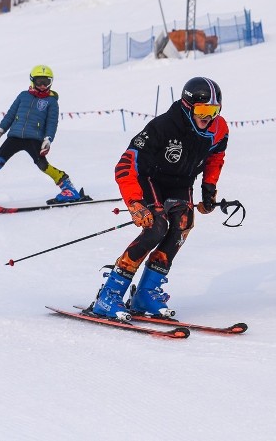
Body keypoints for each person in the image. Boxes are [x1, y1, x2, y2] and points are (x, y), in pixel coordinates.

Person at [86, 76, 229, 321]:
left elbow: (216, 157)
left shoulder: (219, 128)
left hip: (181, 183)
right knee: (156, 228)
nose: (208, 117)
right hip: (150, 180)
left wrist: (209, 190)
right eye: (203, 109)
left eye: (214, 110)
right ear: (187, 106)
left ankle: (145, 295)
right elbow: (125, 164)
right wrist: (134, 202)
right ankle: (108, 295)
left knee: (182, 225)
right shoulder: (163, 127)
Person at [0, 65, 84, 207]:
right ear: (33, 81)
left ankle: (68, 188)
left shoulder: (51, 102)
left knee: (43, 165)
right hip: (14, 136)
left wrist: (48, 139)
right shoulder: (23, 96)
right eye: (39, 82)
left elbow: (52, 123)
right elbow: (10, 115)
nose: (43, 86)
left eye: (46, 82)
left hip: (34, 138)